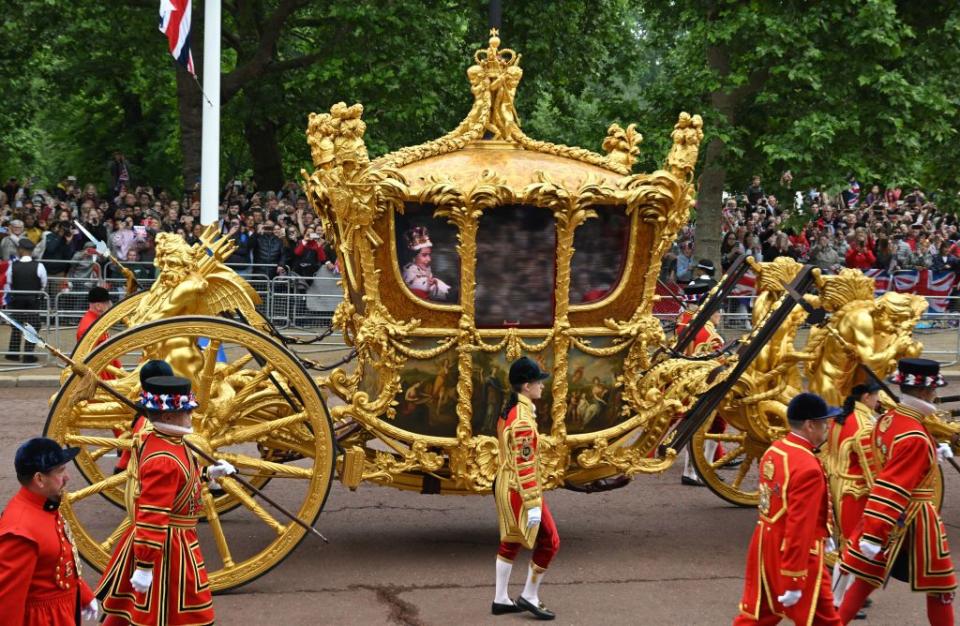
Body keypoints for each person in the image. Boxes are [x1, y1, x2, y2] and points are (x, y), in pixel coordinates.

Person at [97, 373, 235, 625]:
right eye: (187, 411)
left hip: (174, 541)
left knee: (132, 612)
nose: (191, 416)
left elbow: (179, 484)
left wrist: (206, 473)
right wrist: (145, 565)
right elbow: (153, 514)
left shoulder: (165, 440)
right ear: (169, 416)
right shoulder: (164, 458)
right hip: (167, 547)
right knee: (165, 616)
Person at [837, 359, 956, 625]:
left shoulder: (889, 419)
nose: (935, 395)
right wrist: (874, 532)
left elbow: (889, 459)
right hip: (915, 516)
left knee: (865, 579)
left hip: (893, 518)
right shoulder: (913, 434)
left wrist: (932, 454)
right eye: (933, 391)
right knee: (941, 588)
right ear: (925, 392)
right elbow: (892, 486)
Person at [733, 392, 843, 625]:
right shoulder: (807, 466)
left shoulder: (776, 450)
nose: (826, 428)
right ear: (810, 425)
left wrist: (825, 530)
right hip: (798, 556)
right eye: (823, 423)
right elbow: (799, 526)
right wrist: (793, 579)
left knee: (758, 617)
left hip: (765, 544)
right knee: (825, 620)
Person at [0, 437, 99, 623]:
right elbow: (7, 605)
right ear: (39, 479)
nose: (67, 477)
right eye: (60, 471)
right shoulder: (19, 530)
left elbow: (57, 562)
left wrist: (81, 592)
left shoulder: (45, 505)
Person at [492, 356, 559, 620]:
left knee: (510, 541)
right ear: (527, 386)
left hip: (507, 484)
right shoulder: (522, 419)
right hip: (520, 488)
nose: (542, 386)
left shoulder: (512, 410)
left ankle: (501, 599)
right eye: (538, 382)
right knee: (550, 541)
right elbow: (525, 466)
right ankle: (530, 595)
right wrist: (533, 504)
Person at [824, 382, 881, 621]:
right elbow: (871, 469)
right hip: (855, 491)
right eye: (876, 396)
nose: (878, 401)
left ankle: (849, 591)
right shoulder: (865, 425)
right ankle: (839, 600)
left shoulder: (842, 416)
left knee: (846, 542)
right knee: (853, 547)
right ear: (866, 397)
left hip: (837, 484)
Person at [4, 238, 47, 363]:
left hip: (17, 300)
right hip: (33, 301)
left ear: (21, 250)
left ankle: (14, 354)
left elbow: (9, 282)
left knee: (16, 326)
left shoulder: (13, 265)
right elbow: (43, 284)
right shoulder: (39, 266)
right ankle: (28, 355)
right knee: (33, 327)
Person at [402, 226, 450, 301]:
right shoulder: (409, 273)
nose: (429, 259)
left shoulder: (425, 270)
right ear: (413, 257)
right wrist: (430, 284)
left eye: (429, 255)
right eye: (424, 255)